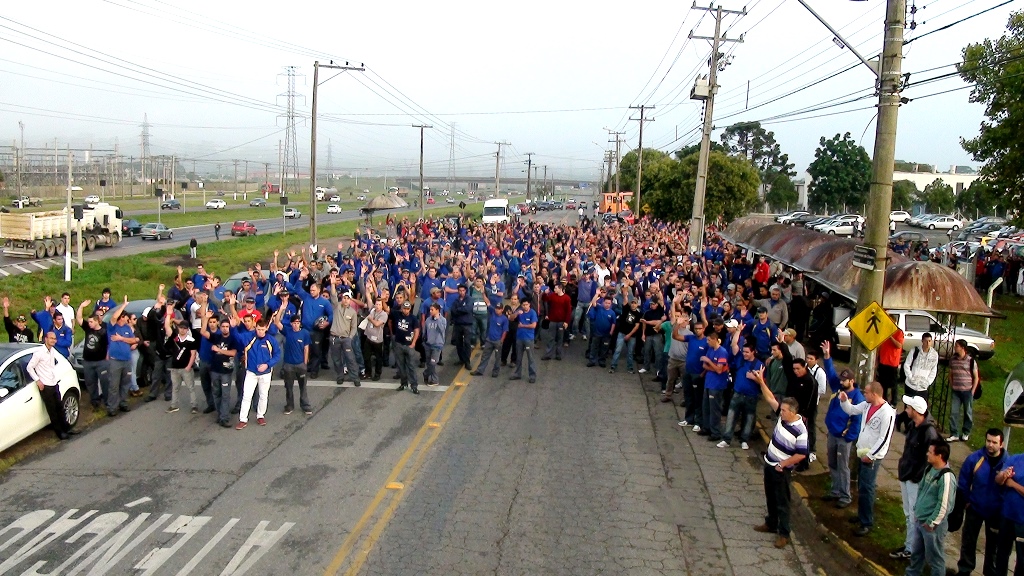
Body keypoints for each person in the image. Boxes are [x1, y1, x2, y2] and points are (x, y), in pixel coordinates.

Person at [752, 366, 808, 549]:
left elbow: (801, 453)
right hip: (770, 463)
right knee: (770, 496)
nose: (780, 412)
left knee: (782, 501)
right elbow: (770, 398)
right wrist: (761, 382)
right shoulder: (783, 418)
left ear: (793, 412)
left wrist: (783, 464)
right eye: (781, 409)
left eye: (784, 410)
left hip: (781, 470)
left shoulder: (800, 430)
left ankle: (784, 533)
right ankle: (771, 522)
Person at [840, 382, 896, 537]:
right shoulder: (866, 405)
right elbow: (851, 410)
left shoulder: (887, 413)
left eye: (866, 392)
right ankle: (861, 515)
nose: (864, 395)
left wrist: (870, 455)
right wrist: (844, 400)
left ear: (875, 394)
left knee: (867, 488)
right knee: (862, 486)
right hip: (862, 452)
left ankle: (867, 522)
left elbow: (884, 438)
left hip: (872, 457)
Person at [890, 394, 940, 561]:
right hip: (906, 474)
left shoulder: (929, 432)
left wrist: (916, 477)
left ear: (917, 411)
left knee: (913, 514)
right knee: (907, 513)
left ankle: (912, 548)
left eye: (909, 407)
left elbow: (929, 460)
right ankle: (909, 544)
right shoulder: (913, 425)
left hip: (914, 479)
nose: (906, 409)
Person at [954, 428, 1006, 576]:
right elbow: (963, 482)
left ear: (1001, 444)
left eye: (994, 442)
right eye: (988, 441)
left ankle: (990, 572)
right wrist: (967, 501)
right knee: (968, 541)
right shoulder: (974, 459)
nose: (990, 445)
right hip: (975, 507)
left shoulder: (1007, 463)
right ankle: (965, 569)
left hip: (996, 512)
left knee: (993, 546)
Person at [821, 340, 864, 511]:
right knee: (832, 463)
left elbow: (857, 420)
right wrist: (827, 356)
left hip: (844, 437)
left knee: (843, 466)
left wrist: (849, 436)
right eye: (841, 380)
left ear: (852, 381)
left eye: (845, 380)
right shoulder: (838, 389)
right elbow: (830, 373)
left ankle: (845, 495)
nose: (841, 382)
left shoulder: (858, 397)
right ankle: (835, 490)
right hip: (833, 432)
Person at [905, 439, 957, 576]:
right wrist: (917, 511)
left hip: (932, 527)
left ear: (940, 456)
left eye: (930, 452)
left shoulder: (946, 477)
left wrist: (932, 523)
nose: (927, 454)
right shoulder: (929, 469)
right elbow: (921, 489)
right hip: (920, 520)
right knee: (916, 554)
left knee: (935, 559)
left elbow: (944, 505)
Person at [26, 331, 78, 440]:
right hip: (46, 386)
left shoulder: (52, 350)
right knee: (52, 411)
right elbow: (29, 367)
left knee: (60, 407)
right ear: (46, 338)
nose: (53, 340)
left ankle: (67, 428)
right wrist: (38, 380)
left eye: (54, 339)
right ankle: (60, 433)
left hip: (54, 383)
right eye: (51, 338)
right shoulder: (39, 353)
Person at [236, 317, 282, 429]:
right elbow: (236, 337)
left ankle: (260, 415)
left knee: (263, 395)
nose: (260, 331)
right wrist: (233, 327)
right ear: (255, 328)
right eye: (258, 329)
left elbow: (277, 355)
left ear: (266, 328)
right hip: (251, 372)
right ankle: (243, 419)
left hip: (266, 373)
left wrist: (267, 364)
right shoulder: (249, 337)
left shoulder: (271, 340)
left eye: (262, 329)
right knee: (246, 396)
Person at [717, 341, 762, 450]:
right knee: (731, 416)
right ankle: (726, 439)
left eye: (747, 352)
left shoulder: (759, 364)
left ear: (753, 352)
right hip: (737, 394)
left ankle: (744, 440)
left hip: (751, 396)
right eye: (744, 352)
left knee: (748, 419)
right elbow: (733, 346)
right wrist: (738, 331)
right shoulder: (740, 360)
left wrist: (754, 378)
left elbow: (762, 382)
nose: (745, 354)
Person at [201, 312, 236, 428]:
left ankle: (224, 418)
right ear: (220, 327)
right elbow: (203, 332)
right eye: (223, 327)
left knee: (225, 395)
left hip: (226, 371)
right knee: (216, 393)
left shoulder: (232, 339)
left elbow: (233, 352)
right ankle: (220, 414)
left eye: (227, 326)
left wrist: (219, 350)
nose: (225, 328)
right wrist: (205, 319)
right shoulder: (216, 337)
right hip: (215, 370)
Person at [900, 332, 939, 432]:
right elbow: (907, 365)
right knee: (909, 406)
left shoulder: (934, 355)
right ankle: (907, 426)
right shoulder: (915, 351)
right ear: (922, 341)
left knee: (919, 407)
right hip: (911, 384)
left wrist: (928, 382)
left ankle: (909, 423)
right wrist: (910, 377)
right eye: (925, 341)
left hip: (923, 386)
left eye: (929, 341)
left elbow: (933, 371)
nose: (927, 343)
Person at [75, 299, 110, 410]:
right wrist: (81, 306)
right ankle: (95, 402)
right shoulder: (87, 329)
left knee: (105, 382)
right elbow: (79, 319)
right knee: (90, 383)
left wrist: (107, 356)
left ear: (96, 321)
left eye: (91, 322)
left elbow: (109, 344)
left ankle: (107, 402)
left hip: (101, 361)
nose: (89, 324)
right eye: (88, 322)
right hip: (88, 361)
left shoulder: (104, 331)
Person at [275, 313, 312, 415]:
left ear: (300, 323)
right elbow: (276, 322)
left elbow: (306, 348)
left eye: (298, 323)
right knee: (288, 387)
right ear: (291, 324)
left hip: (300, 364)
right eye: (294, 323)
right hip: (288, 365)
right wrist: (282, 309)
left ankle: (305, 406)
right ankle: (289, 406)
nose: (296, 325)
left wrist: (305, 363)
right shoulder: (287, 331)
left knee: (303, 386)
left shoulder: (305, 333)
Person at [163, 311, 199, 414]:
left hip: (185, 368)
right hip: (174, 367)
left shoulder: (191, 340)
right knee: (175, 387)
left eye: (184, 328)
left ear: (187, 329)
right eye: (180, 328)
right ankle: (173, 405)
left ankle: (194, 405)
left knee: (190, 387)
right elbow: (167, 328)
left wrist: (189, 366)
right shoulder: (174, 339)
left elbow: (193, 354)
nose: (182, 330)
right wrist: (169, 314)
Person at [105, 297, 135, 418]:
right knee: (113, 385)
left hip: (126, 360)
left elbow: (133, 340)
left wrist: (122, 339)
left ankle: (123, 403)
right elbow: (113, 317)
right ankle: (112, 407)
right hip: (115, 360)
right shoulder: (112, 327)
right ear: (122, 317)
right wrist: (123, 305)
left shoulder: (127, 328)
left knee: (125, 383)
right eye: (126, 316)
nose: (128, 319)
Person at [946, 339, 980, 442]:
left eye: (957, 346)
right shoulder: (953, 360)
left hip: (967, 391)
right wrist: (952, 385)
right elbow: (950, 374)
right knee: (953, 412)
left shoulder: (971, 361)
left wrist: (972, 391)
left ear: (962, 348)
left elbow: (976, 377)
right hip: (956, 391)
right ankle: (954, 433)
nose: (955, 348)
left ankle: (966, 432)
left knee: (967, 413)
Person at [328, 285, 361, 388]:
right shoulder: (336, 306)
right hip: (334, 338)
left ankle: (355, 378)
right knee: (337, 359)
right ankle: (340, 376)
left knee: (350, 359)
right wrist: (332, 284)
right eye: (344, 298)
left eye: (347, 298)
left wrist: (350, 338)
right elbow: (333, 296)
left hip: (346, 339)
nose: (345, 300)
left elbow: (354, 327)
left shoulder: (353, 312)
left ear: (350, 300)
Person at [700, 331, 730, 441]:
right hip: (709, 382)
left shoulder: (722, 352)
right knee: (706, 407)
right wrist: (713, 367)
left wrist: (709, 362)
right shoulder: (710, 350)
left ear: (714, 339)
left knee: (715, 409)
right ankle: (706, 428)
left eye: (709, 340)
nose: (707, 342)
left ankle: (716, 432)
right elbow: (705, 365)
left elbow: (719, 370)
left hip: (717, 385)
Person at [471, 304, 508, 378]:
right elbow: (488, 303)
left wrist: (501, 341)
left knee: (497, 358)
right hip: (489, 340)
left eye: (499, 309)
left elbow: (505, 331)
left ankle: (495, 371)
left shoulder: (504, 319)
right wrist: (483, 293)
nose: (497, 310)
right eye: (496, 308)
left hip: (497, 341)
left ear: (502, 310)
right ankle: (480, 370)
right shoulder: (493, 313)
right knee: (484, 356)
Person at [393, 301, 420, 394]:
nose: (406, 310)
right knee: (401, 366)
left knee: (411, 366)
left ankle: (414, 386)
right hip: (399, 344)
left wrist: (413, 343)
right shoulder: (397, 315)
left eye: (408, 309)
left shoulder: (413, 318)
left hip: (409, 345)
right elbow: (387, 310)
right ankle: (403, 384)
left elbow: (417, 331)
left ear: (410, 309)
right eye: (404, 308)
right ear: (402, 308)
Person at [609, 298, 642, 374]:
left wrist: (629, 335)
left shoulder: (639, 314)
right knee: (617, 350)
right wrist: (625, 291)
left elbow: (637, 326)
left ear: (637, 305)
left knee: (630, 352)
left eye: (635, 303)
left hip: (632, 336)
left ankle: (630, 367)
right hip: (622, 333)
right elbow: (625, 300)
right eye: (632, 303)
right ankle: (613, 366)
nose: (633, 304)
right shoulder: (626, 309)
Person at [541, 283, 572, 361]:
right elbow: (545, 299)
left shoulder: (566, 298)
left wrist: (566, 322)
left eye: (555, 288)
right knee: (551, 338)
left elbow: (568, 311)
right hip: (553, 320)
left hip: (561, 321)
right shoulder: (553, 296)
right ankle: (548, 354)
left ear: (560, 289)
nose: (554, 290)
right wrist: (545, 293)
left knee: (560, 338)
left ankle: (558, 354)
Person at [511, 298, 538, 383]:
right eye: (523, 305)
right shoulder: (520, 311)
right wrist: (516, 313)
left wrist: (523, 326)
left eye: (526, 305)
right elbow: (511, 318)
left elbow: (533, 325)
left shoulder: (532, 313)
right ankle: (517, 374)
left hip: (528, 338)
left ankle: (532, 375)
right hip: (519, 338)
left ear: (529, 304)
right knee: (518, 357)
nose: (525, 306)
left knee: (530, 358)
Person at [449, 284, 475, 370]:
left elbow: (467, 309)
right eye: (460, 290)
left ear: (466, 291)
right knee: (458, 343)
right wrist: (461, 309)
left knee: (467, 343)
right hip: (458, 324)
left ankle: (467, 361)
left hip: (467, 324)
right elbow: (452, 310)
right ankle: (461, 359)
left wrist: (458, 310)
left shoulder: (470, 299)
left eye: (463, 290)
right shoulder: (456, 300)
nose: (461, 292)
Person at [877, 326, 904, 406]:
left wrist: (890, 337)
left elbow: (899, 345)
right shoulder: (883, 330)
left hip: (892, 362)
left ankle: (894, 401)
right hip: (883, 361)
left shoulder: (898, 332)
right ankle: (884, 399)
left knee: (893, 384)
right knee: (882, 383)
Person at [422, 303, 447, 386]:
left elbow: (442, 330)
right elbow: (425, 331)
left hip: (437, 345)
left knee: (433, 363)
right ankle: (431, 377)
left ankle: (430, 377)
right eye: (430, 309)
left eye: (432, 310)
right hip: (428, 344)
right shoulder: (428, 320)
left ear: (437, 310)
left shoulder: (443, 320)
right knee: (429, 363)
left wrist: (437, 319)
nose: (430, 311)